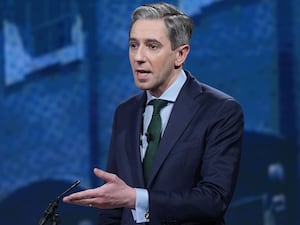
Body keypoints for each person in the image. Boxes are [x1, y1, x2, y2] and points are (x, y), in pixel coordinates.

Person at [63, 2, 244, 225]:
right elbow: (113, 209)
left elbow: (213, 200)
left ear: (180, 54)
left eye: (152, 46)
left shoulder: (219, 110)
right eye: (133, 45)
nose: (138, 57)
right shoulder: (125, 113)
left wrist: (137, 198)